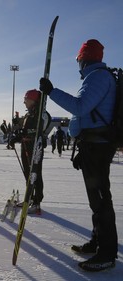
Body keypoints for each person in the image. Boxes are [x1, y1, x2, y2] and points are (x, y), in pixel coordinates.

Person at [40, 39, 117, 271]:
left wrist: (52, 92)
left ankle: (106, 253)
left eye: (78, 60)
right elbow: (85, 112)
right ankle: (98, 242)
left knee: (101, 200)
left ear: (84, 59)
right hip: (92, 145)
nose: (78, 66)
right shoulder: (96, 78)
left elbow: (80, 107)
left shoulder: (99, 77)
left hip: (98, 146)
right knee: (97, 200)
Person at [9, 90, 45, 215]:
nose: (24, 102)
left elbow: (36, 130)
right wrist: (18, 128)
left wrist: (21, 134)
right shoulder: (30, 113)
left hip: (34, 147)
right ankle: (29, 198)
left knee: (35, 174)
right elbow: (25, 129)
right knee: (28, 174)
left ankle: (37, 202)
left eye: (26, 99)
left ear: (33, 100)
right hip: (25, 146)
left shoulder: (40, 113)